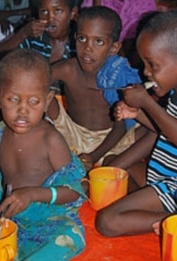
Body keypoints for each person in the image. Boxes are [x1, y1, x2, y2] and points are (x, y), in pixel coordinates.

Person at [95, 9, 177, 240]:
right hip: (162, 177)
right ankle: (161, 214)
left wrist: (147, 105)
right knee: (112, 166)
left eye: (153, 65)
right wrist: (138, 113)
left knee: (107, 221)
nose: (146, 72)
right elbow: (164, 131)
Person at [0, 49, 87, 261]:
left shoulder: (51, 140)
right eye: (13, 99)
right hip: (3, 212)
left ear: (47, 99)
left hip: (47, 220)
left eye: (34, 101)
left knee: (72, 238)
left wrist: (32, 194)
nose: (23, 110)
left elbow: (74, 191)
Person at [46, 6, 145, 171]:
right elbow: (34, 79)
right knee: (39, 93)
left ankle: (111, 164)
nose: (87, 48)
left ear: (114, 48)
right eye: (82, 39)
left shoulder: (119, 77)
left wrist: (93, 156)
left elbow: (120, 127)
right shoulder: (68, 69)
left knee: (152, 130)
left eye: (98, 41)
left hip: (111, 139)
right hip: (71, 135)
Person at [0, 0, 78, 67]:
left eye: (58, 11)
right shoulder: (36, 39)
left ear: (72, 13)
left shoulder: (78, 43)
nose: (50, 19)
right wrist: (23, 34)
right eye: (44, 11)